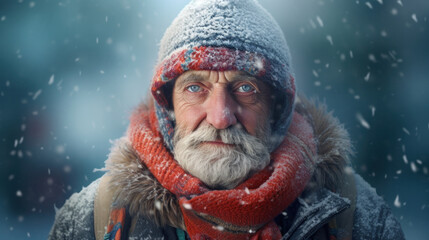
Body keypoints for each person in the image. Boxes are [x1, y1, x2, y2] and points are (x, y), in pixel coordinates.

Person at [49, 0, 405, 239]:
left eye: (246, 87)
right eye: (195, 88)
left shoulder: (355, 218)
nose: (220, 117)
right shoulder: (95, 220)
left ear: (278, 108)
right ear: (167, 107)